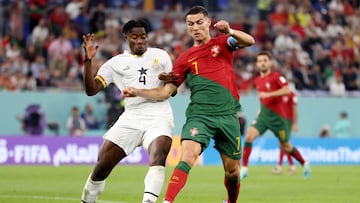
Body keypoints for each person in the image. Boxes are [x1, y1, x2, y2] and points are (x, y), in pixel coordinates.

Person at [122, 6, 255, 203]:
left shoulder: (223, 43)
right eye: (190, 24)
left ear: (208, 23)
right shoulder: (184, 58)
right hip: (200, 116)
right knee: (188, 156)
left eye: (199, 22)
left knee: (233, 172)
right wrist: (137, 91)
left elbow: (250, 41)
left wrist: (231, 31)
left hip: (228, 117)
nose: (195, 27)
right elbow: (167, 91)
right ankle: (167, 201)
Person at [80, 19, 174, 203]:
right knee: (102, 167)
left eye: (143, 37)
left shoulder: (162, 56)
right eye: (135, 37)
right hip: (131, 117)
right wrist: (88, 61)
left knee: (159, 154)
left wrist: (170, 79)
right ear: (127, 38)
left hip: (159, 114)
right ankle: (87, 200)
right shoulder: (115, 63)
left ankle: (148, 201)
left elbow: (171, 90)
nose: (140, 41)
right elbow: (91, 90)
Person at [240, 51, 311, 180]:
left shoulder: (276, 76)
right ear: (257, 64)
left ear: (270, 63)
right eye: (260, 61)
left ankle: (304, 163)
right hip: (263, 117)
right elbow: (262, 98)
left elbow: (287, 90)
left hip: (278, 119)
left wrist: (269, 94)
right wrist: (260, 110)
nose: (262, 63)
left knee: (286, 146)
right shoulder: (257, 80)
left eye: (265, 61)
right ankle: (244, 168)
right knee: (249, 136)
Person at [272, 91, 298, 175]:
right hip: (281, 121)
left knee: (284, 143)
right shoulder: (279, 94)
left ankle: (283, 167)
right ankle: (289, 167)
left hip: (287, 122)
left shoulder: (291, 95)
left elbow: (294, 109)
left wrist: (294, 123)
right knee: (283, 144)